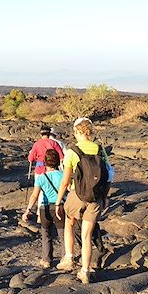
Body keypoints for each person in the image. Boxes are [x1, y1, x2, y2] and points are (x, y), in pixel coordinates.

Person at [55, 117, 114, 284]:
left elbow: (65, 181)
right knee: (87, 235)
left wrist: (58, 201)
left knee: (69, 222)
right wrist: (104, 197)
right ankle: (85, 271)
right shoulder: (100, 150)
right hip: (96, 197)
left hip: (76, 194)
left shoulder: (72, 151)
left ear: (77, 132)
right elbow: (109, 175)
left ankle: (69, 257)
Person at [21, 149, 64, 268]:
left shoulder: (41, 177)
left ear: (45, 162)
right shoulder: (63, 175)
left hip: (45, 208)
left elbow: (35, 195)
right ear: (58, 162)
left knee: (46, 234)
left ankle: (46, 259)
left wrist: (28, 210)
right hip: (59, 206)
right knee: (62, 234)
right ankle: (65, 257)